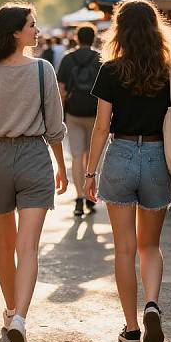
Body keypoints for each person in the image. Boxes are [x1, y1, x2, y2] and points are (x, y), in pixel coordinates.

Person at [84, 0, 171, 342]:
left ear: (121, 30)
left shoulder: (111, 70)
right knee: (151, 245)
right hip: (160, 156)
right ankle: (153, 304)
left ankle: (131, 328)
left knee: (124, 248)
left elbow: (101, 126)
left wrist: (89, 173)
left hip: (121, 155)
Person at [0, 2, 68, 342]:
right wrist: (61, 166)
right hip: (35, 157)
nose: (36, 31)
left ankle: (11, 312)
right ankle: (21, 317)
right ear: (15, 32)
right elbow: (55, 127)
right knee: (28, 248)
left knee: (4, 246)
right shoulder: (42, 71)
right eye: (31, 25)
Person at [57, 23, 101, 217]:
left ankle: (79, 197)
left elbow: (61, 89)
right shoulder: (100, 59)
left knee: (76, 156)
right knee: (92, 156)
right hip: (95, 113)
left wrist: (61, 112)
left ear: (76, 37)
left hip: (74, 113)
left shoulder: (68, 59)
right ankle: (92, 197)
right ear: (94, 37)